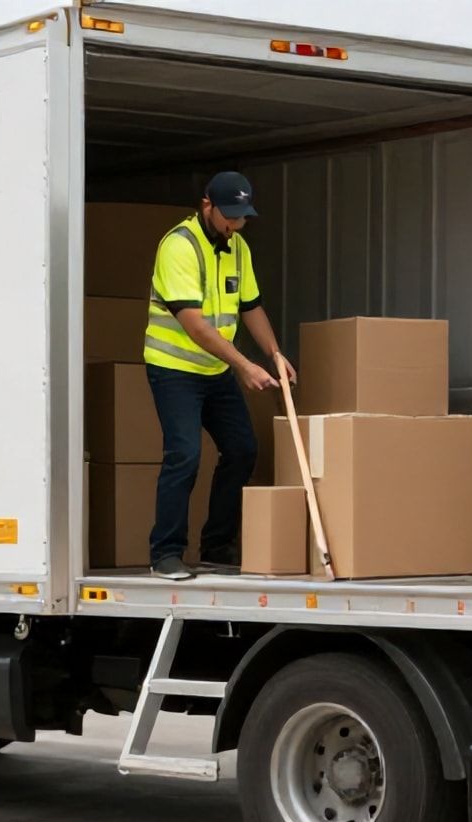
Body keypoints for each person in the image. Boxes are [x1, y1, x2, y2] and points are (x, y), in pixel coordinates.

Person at [144, 171, 293, 580]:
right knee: (185, 455)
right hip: (174, 369)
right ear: (206, 205)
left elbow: (251, 306)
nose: (236, 225)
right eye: (230, 216)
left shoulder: (238, 248)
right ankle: (165, 553)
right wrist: (246, 365)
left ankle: (217, 545)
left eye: (243, 217)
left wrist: (274, 355)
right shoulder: (178, 247)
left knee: (243, 449)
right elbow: (194, 325)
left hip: (215, 368)